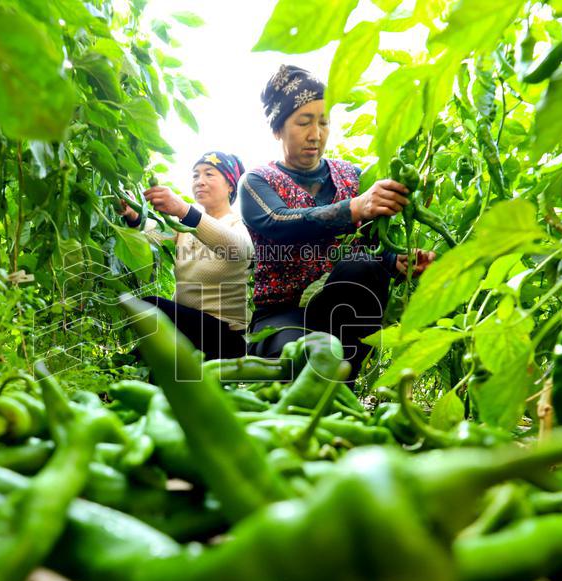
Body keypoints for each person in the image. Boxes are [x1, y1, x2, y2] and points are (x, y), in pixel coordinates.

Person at [240, 65, 436, 380]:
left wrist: (396, 262)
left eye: (323, 122)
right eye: (303, 122)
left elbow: (368, 247)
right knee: (292, 366)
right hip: (283, 313)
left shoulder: (352, 176)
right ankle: (313, 385)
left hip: (340, 310)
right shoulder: (258, 181)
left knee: (363, 267)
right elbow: (278, 221)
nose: (315, 134)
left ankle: (343, 383)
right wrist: (354, 209)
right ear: (278, 129)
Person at [119, 151, 253, 360]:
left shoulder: (240, 223)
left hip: (224, 336)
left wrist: (183, 209)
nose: (200, 181)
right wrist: (134, 214)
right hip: (186, 328)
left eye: (209, 174)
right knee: (129, 364)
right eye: (195, 175)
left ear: (230, 185)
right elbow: (156, 234)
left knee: (151, 308)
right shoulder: (185, 227)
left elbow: (239, 249)